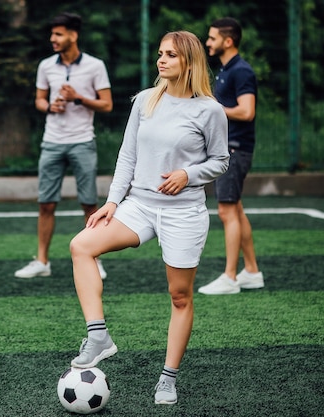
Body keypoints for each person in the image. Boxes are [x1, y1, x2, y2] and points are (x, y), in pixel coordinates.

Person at [68, 31, 229, 405]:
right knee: (81, 245)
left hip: (184, 212)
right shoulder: (145, 100)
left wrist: (188, 175)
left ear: (188, 61)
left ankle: (168, 379)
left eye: (170, 55)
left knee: (179, 296)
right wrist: (112, 201)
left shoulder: (209, 110)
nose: (162, 60)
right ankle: (98, 336)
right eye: (160, 54)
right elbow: (127, 156)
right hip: (138, 205)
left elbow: (221, 161)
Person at [14, 12, 113, 279]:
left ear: (73, 35)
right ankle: (42, 261)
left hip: (83, 141)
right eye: (52, 34)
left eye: (58, 34)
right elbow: (39, 100)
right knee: (46, 203)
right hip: (52, 142)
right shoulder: (46, 65)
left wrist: (78, 98)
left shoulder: (95, 66)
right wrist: (50, 106)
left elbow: (107, 104)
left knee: (89, 204)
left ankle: (95, 259)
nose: (53, 39)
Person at [198, 17, 264, 295]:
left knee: (227, 211)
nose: (207, 42)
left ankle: (230, 277)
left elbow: (247, 111)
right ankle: (251, 272)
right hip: (231, 147)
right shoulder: (226, 70)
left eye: (212, 38)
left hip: (235, 148)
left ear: (228, 41)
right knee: (235, 209)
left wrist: (215, 107)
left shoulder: (241, 71)